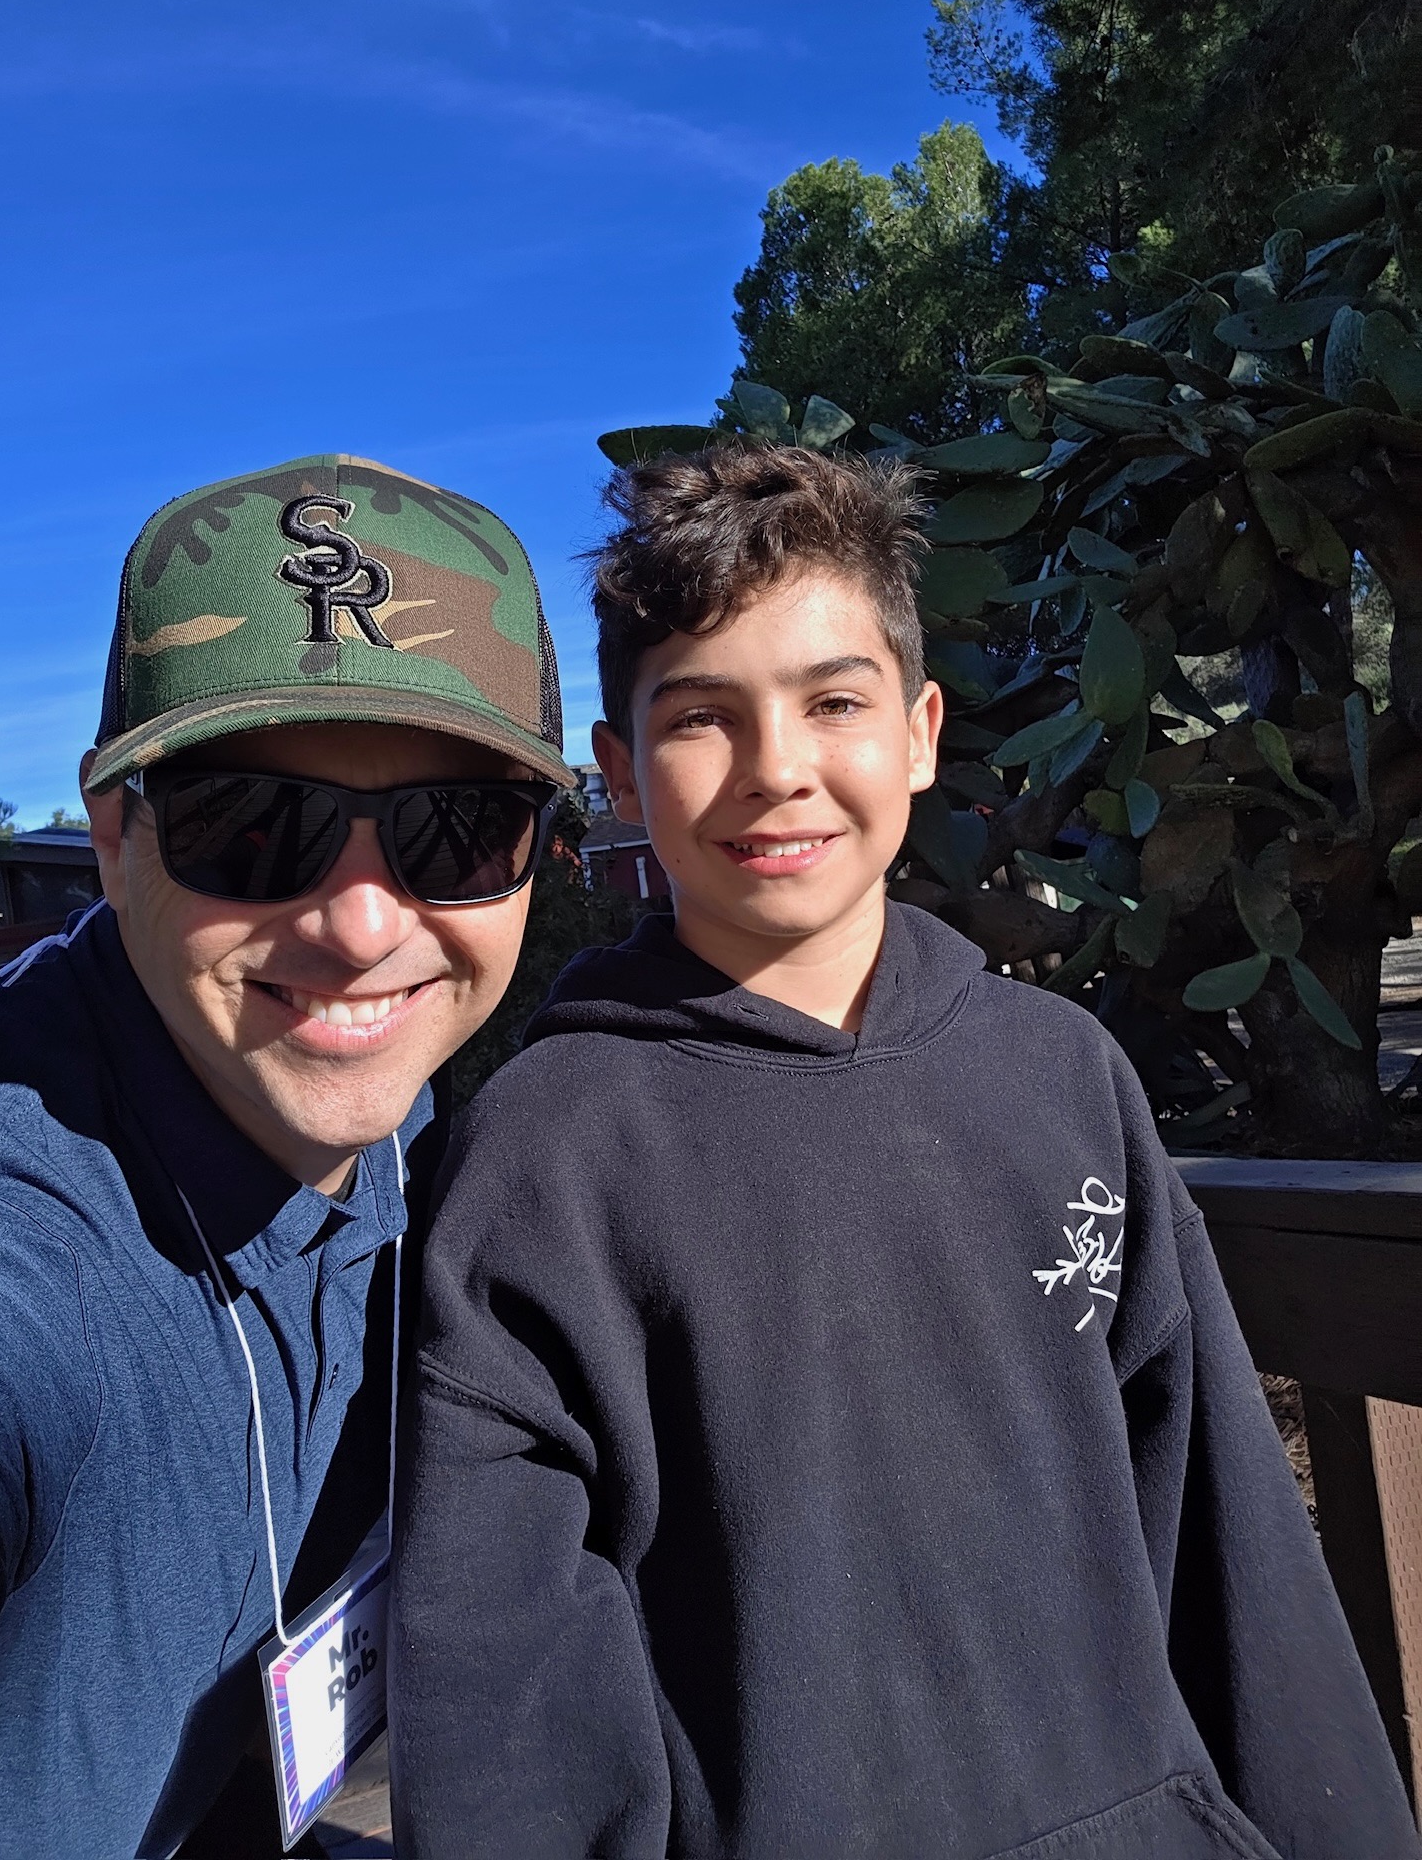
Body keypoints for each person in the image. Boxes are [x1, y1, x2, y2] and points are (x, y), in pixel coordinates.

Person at [388, 444, 1418, 1859]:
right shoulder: (537, 1162)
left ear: (921, 732)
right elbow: (507, 1707)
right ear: (618, 773)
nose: (778, 769)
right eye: (703, 718)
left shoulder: (1064, 1074)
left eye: (834, 702)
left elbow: (1224, 1536)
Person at [0, 452, 572, 1860]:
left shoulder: (387, 1103)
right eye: (252, 829)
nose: (362, 928)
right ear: (113, 834)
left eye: (458, 832)